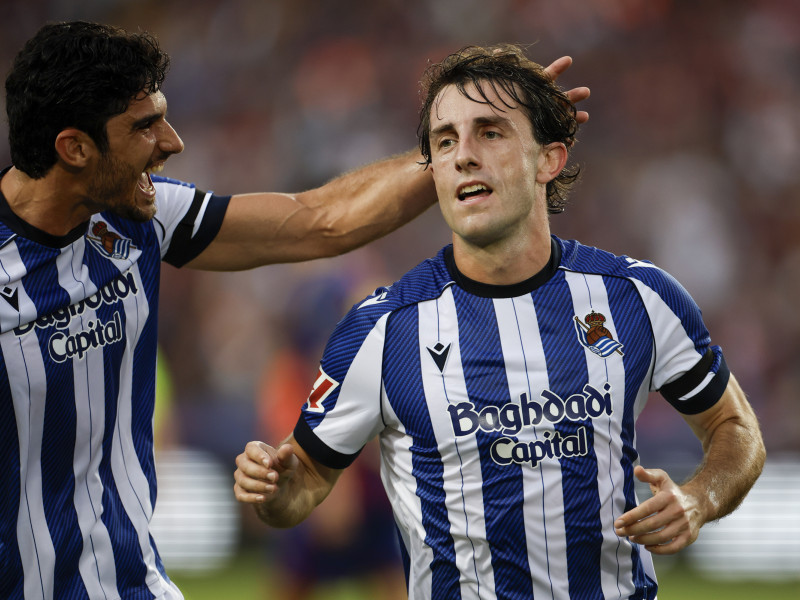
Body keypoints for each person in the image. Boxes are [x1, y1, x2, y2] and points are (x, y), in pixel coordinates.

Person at [0, 21, 588, 600]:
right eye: (144, 126)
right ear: (74, 148)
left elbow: (322, 221)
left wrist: (473, 141)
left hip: (133, 587)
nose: (172, 142)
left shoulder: (140, 220)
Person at [233, 44, 766, 599]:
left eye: (489, 132)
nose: (464, 155)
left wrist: (699, 499)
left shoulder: (638, 298)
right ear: (435, 172)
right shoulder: (383, 330)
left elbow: (736, 429)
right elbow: (305, 484)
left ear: (548, 159)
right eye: (445, 141)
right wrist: (272, 486)